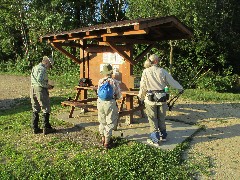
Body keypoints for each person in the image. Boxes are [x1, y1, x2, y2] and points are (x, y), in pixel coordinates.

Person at [138, 54, 183, 146]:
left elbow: (143, 86)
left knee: (152, 118)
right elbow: (172, 81)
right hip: (162, 98)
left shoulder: (145, 71)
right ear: (156, 61)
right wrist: (180, 88)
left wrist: (141, 96)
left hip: (150, 99)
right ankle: (163, 135)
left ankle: (155, 139)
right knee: (161, 117)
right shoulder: (163, 71)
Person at [97, 64, 122, 149]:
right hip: (110, 103)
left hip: (100, 102)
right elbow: (119, 96)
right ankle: (107, 142)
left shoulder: (100, 81)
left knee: (102, 121)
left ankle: (102, 138)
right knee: (110, 122)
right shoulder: (114, 81)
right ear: (111, 72)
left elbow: (98, 92)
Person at [30, 56, 56, 135]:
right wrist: (48, 86)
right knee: (45, 107)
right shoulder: (42, 69)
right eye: (50, 66)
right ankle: (46, 127)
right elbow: (40, 80)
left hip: (32, 88)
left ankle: (35, 127)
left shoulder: (35, 67)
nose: (49, 68)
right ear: (46, 62)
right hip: (40, 89)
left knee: (35, 107)